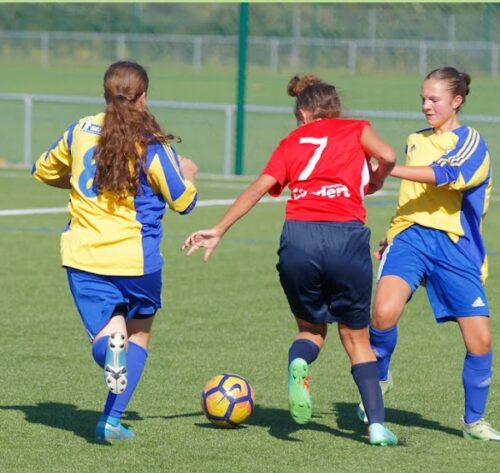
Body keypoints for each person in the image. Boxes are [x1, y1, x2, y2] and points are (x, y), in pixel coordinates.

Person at [182, 74, 398, 446]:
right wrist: (376, 178)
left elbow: (258, 188)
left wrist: (218, 229)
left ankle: (300, 361)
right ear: (334, 109)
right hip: (346, 237)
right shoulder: (356, 128)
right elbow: (389, 156)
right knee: (355, 337)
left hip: (299, 238)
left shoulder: (292, 141)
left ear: (302, 114)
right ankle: (376, 425)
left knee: (312, 330)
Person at [32, 60, 198, 442]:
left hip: (85, 257)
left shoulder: (80, 130)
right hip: (137, 261)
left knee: (107, 341)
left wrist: (82, 182)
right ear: (144, 97)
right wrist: (188, 171)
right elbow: (184, 201)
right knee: (137, 336)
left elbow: (43, 170)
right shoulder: (152, 144)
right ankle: (110, 421)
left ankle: (110, 356)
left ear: (105, 94)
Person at [357, 66, 500, 441]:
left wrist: (388, 168)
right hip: (409, 238)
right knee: (383, 312)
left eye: (434, 99)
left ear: (457, 101)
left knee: (480, 341)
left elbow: (445, 175)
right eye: (423, 98)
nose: (426, 105)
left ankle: (473, 421)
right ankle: (379, 379)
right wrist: (391, 234)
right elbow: (415, 199)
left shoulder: (471, 141)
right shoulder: (415, 140)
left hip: (455, 246)